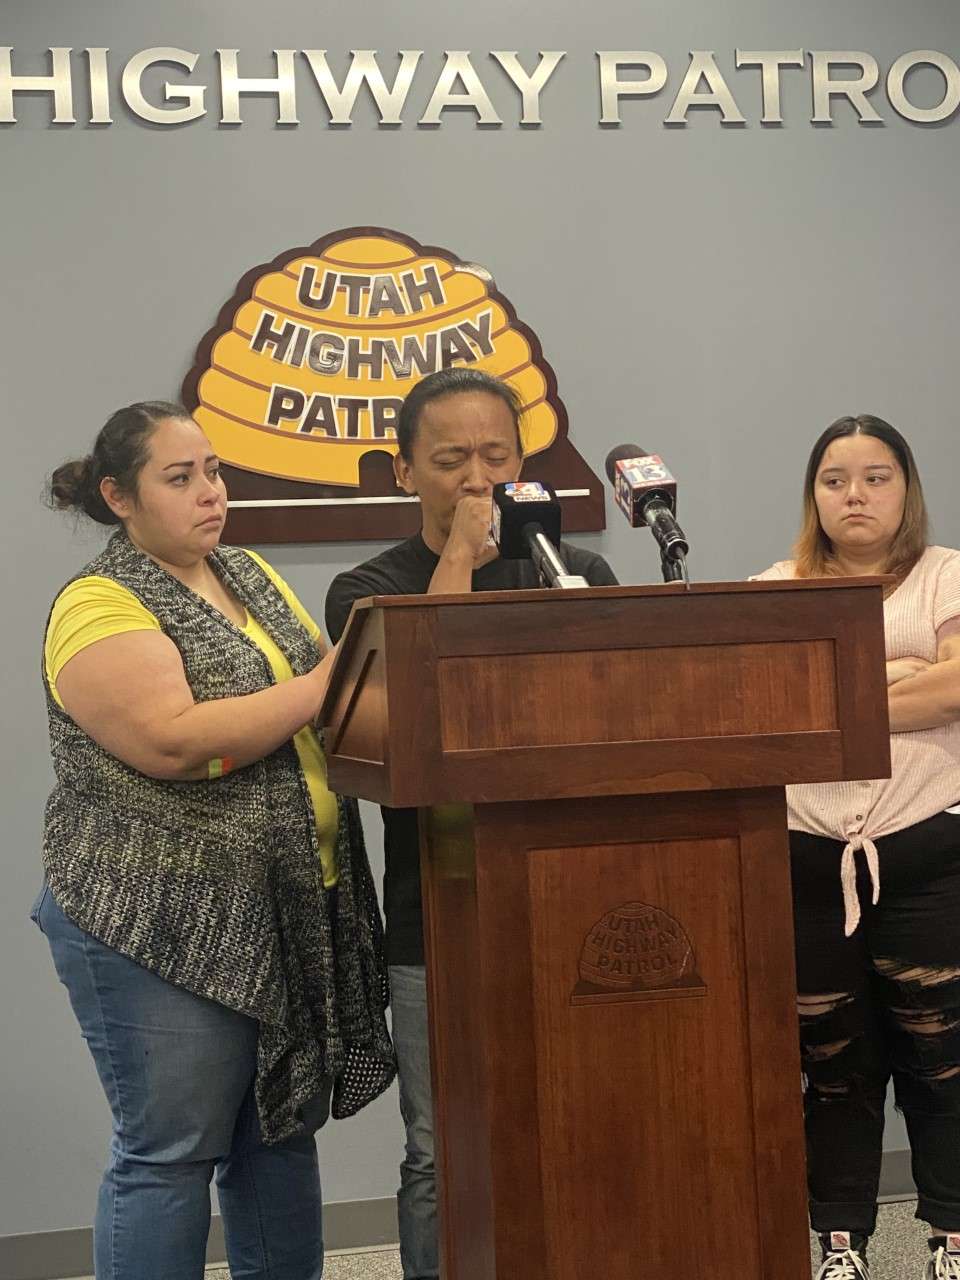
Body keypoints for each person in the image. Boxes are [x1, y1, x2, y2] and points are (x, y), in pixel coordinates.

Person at [34, 401, 395, 1280]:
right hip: (154, 918)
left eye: (216, 472)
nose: (211, 494)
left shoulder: (247, 574)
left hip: (282, 907)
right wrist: (326, 680)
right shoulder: (98, 602)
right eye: (181, 477)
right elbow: (172, 739)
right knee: (172, 1154)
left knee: (277, 1135)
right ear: (119, 497)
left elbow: (331, 697)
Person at [324, 367, 618, 1279]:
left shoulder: (575, 572)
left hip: (570, 900)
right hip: (438, 916)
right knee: (441, 1150)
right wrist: (460, 559)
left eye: (497, 457)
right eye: (452, 460)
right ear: (406, 472)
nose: (478, 481)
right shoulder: (367, 588)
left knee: (577, 1127)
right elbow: (411, 698)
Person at [754, 415, 960, 1280]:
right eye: (835, 479)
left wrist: (837, 693)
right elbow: (766, 708)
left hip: (927, 865)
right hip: (805, 865)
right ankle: (842, 1240)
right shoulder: (776, 587)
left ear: (905, 488)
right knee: (833, 1064)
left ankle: (951, 1233)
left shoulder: (946, 575)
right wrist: (904, 679)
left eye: (876, 477)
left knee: (940, 1054)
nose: (855, 495)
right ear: (814, 494)